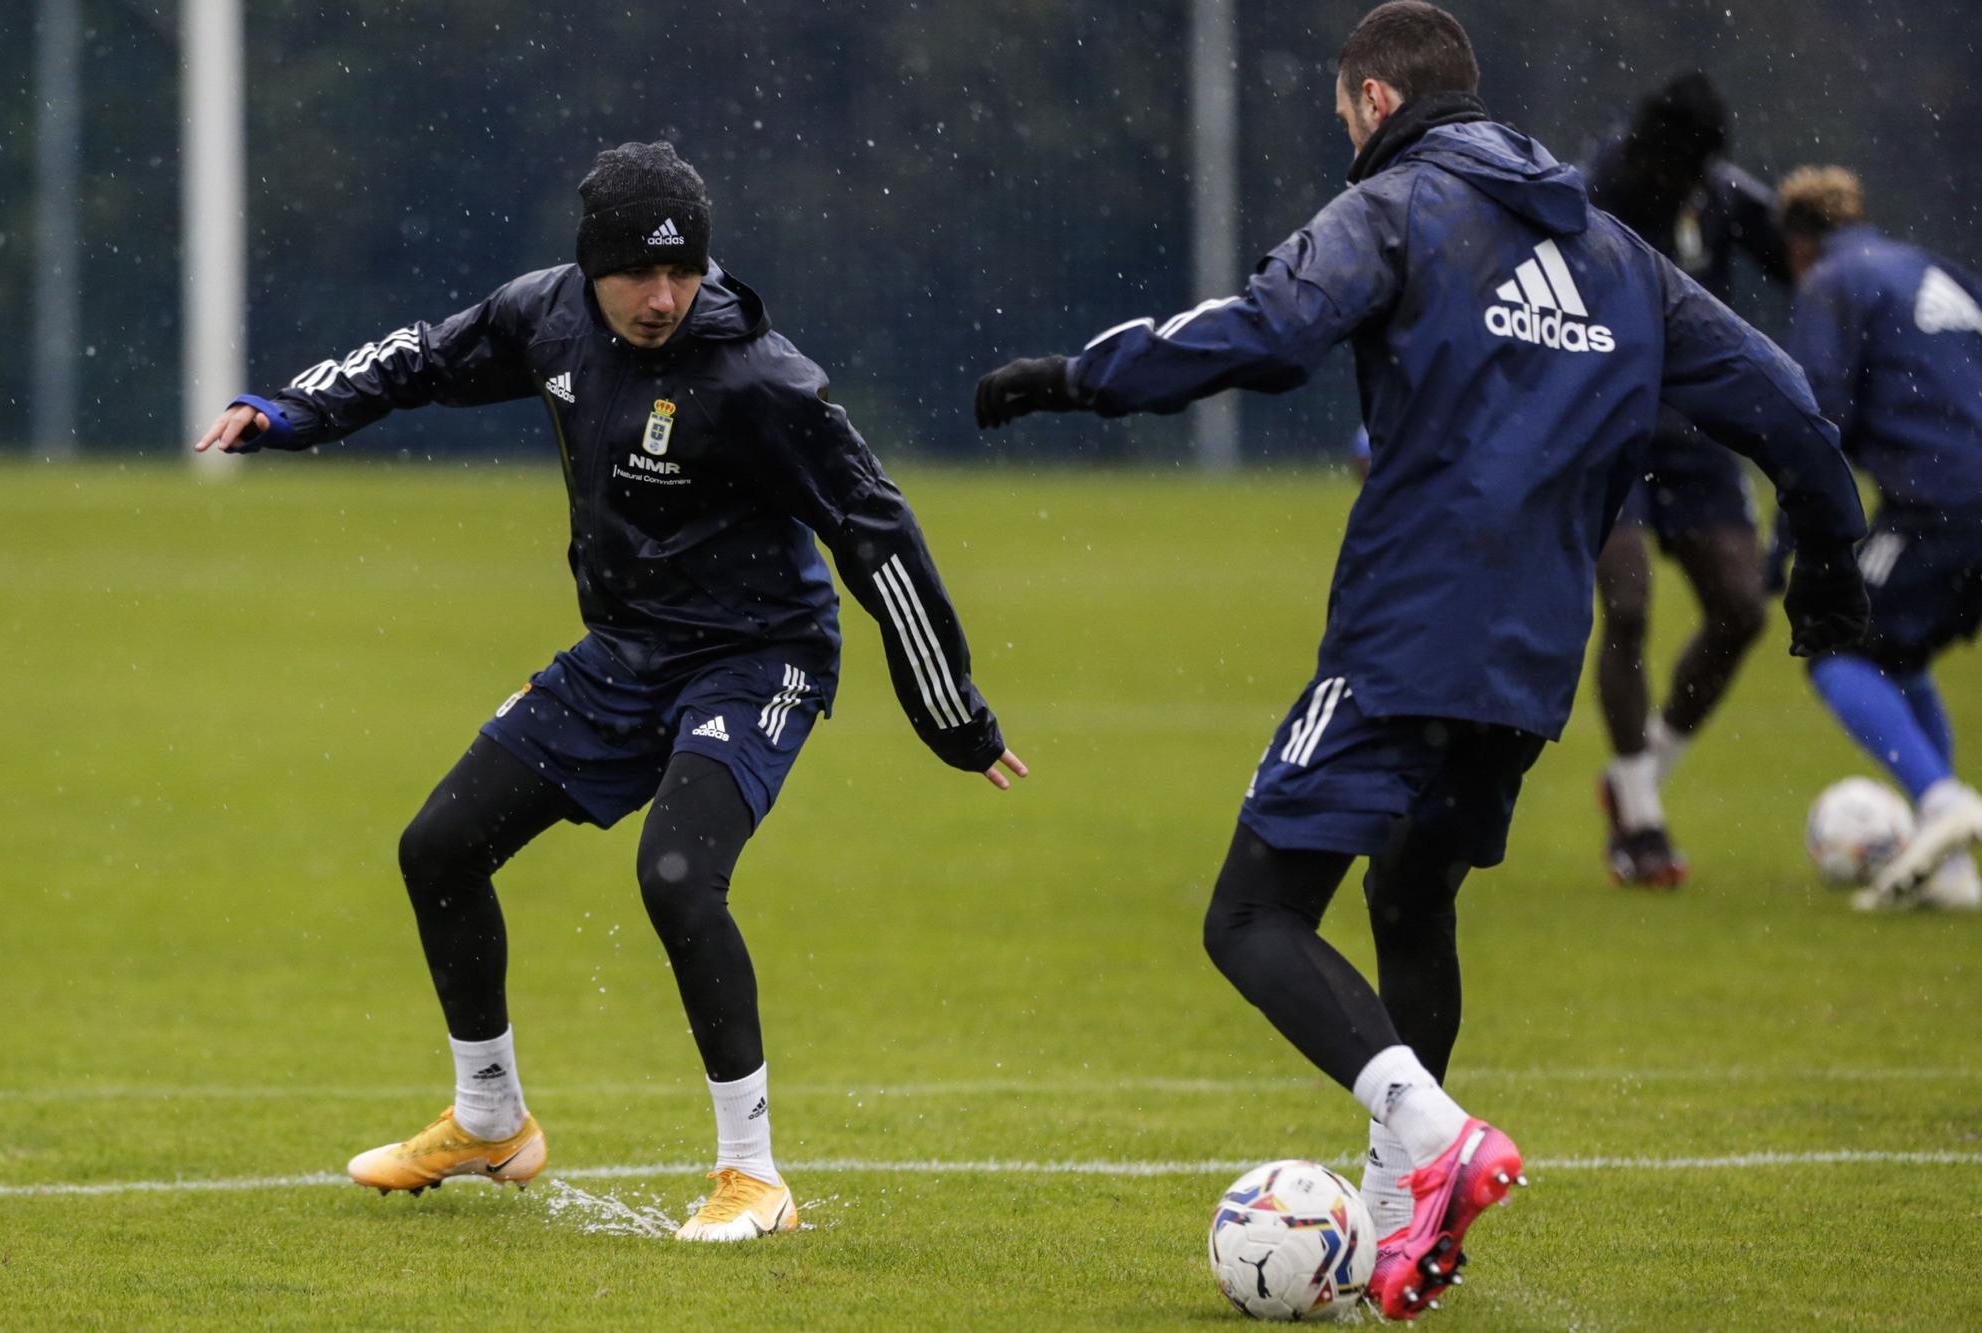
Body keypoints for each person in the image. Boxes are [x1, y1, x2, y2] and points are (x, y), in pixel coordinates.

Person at [972, 3, 1865, 1318]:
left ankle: (1436, 1139)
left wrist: (1078, 378)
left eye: (1346, 120)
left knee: (1253, 914)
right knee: (1412, 896)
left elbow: (1267, 327)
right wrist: (1831, 573)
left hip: (1406, 632)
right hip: (1533, 663)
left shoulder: (1397, 207)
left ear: (1376, 104)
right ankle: (1400, 1228)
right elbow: (1786, 403)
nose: (1347, 141)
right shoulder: (1619, 254)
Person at [194, 141, 1025, 1240]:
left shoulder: (761, 381)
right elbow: (423, 358)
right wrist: (290, 411)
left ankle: (753, 1175)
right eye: (638, 273)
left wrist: (951, 712)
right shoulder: (547, 319)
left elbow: (877, 537)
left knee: (677, 877)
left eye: (682, 274)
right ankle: (489, 1119)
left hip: (757, 654)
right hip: (626, 651)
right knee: (436, 849)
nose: (662, 297)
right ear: (591, 267)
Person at [1583, 73, 1792, 888]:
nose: (1688, 185)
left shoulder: (1721, 192)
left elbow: (1808, 261)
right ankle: (1639, 821)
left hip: (1699, 431)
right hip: (1607, 421)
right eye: (1680, 169)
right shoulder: (1593, 192)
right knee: (1628, 606)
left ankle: (1641, 774)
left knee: (1741, 608)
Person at [1773, 165, 1982, 912]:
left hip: (1943, 505)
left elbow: (1813, 419)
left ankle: (1942, 800)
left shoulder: (1831, 282)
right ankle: (1952, 867)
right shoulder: (1934, 269)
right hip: (1962, 497)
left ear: (1799, 243)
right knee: (1901, 650)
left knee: (1835, 649)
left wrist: (1784, 545)